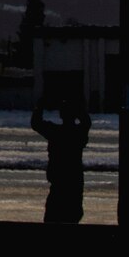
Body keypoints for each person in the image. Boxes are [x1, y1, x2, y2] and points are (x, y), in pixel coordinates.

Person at [31, 95, 92, 223]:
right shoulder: (78, 133)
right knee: (71, 216)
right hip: (74, 183)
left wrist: (40, 106)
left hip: (59, 183)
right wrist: (78, 109)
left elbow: (36, 123)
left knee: (54, 217)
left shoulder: (55, 132)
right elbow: (86, 122)